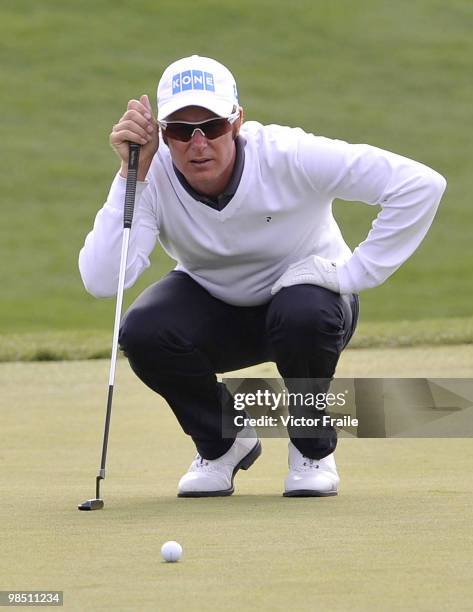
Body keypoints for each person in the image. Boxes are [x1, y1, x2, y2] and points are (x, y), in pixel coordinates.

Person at [79, 55, 446, 498]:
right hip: (218, 308)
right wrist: (129, 175)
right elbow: (103, 280)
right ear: (161, 132)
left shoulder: (289, 155)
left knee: (301, 312)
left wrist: (354, 273)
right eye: (180, 130)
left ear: (237, 121)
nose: (198, 144)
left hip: (310, 308)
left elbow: (420, 185)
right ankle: (223, 444)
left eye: (212, 126)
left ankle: (312, 450)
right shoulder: (149, 174)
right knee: (142, 331)